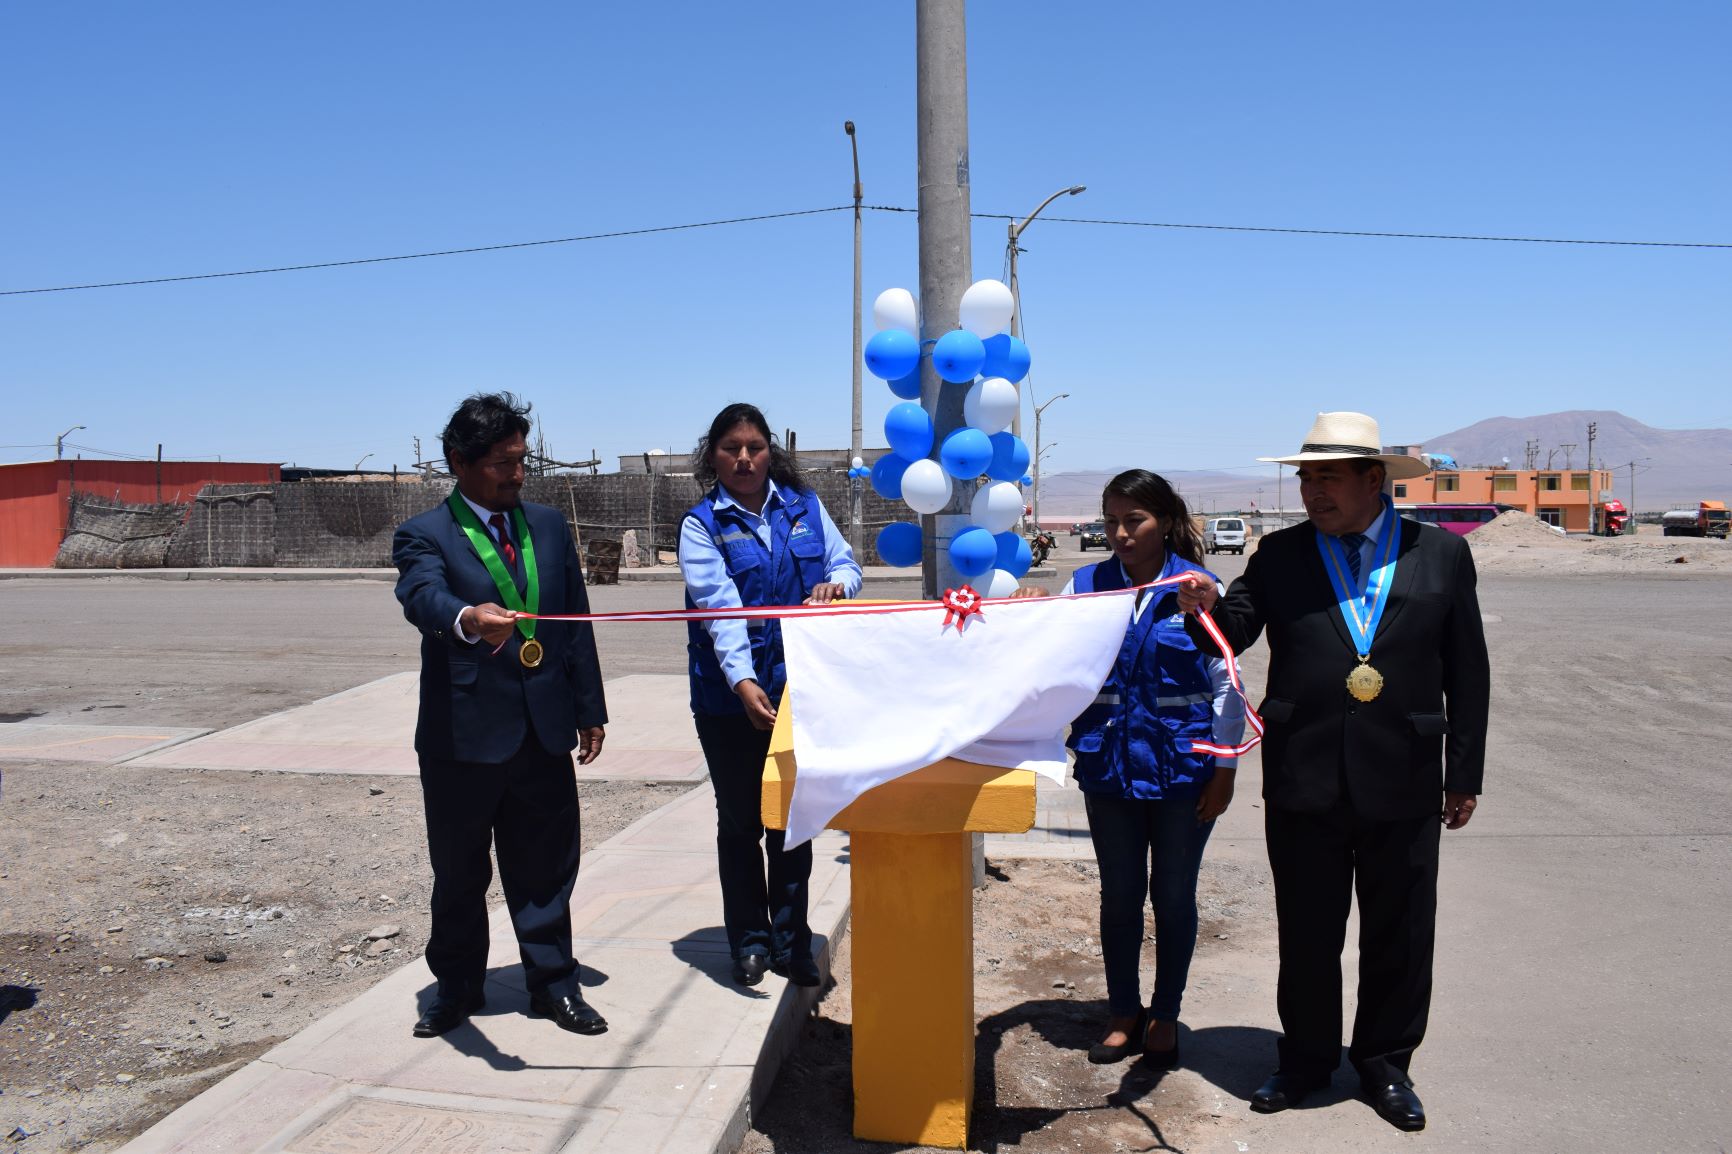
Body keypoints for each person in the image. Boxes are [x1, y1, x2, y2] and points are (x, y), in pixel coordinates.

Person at [1176, 412, 1490, 1132]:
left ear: (1374, 480)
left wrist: (1464, 773)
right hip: (1305, 772)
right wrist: (1203, 610)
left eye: (1328, 477)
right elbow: (1234, 630)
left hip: (1406, 772)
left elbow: (1467, 669)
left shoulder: (1441, 554)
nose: (1313, 491)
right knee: (1308, 931)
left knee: (1400, 932)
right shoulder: (1281, 554)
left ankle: (1386, 1065)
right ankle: (1306, 1061)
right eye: (1306, 478)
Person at [393, 392, 609, 1039]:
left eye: (521, 461)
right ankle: (457, 988)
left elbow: (574, 622)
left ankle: (554, 983)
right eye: (502, 464)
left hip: (543, 729)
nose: (517, 475)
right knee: (459, 872)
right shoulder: (425, 534)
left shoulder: (548, 526)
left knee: (546, 867)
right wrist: (467, 618)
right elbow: (422, 595)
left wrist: (588, 708)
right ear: (458, 462)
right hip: (463, 736)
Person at [1013, 470, 1244, 1068]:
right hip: (1110, 770)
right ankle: (1123, 1012)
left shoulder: (1197, 588)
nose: (1120, 533)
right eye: (1111, 521)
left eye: (1134, 521)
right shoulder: (1085, 587)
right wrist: (1030, 611)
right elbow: (1051, 659)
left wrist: (1225, 768)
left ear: (1164, 522)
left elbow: (1226, 681)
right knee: (1119, 894)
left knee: (1173, 894)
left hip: (1183, 771)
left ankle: (1164, 1014)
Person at [678, 403, 862, 987]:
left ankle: (791, 942)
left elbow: (846, 564)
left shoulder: (804, 506)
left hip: (799, 691)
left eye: (754, 447)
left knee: (790, 820)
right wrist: (742, 681)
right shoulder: (701, 525)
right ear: (712, 456)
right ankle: (750, 942)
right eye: (731, 448)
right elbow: (720, 608)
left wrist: (837, 585)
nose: (744, 458)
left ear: (769, 452)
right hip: (727, 699)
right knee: (740, 822)